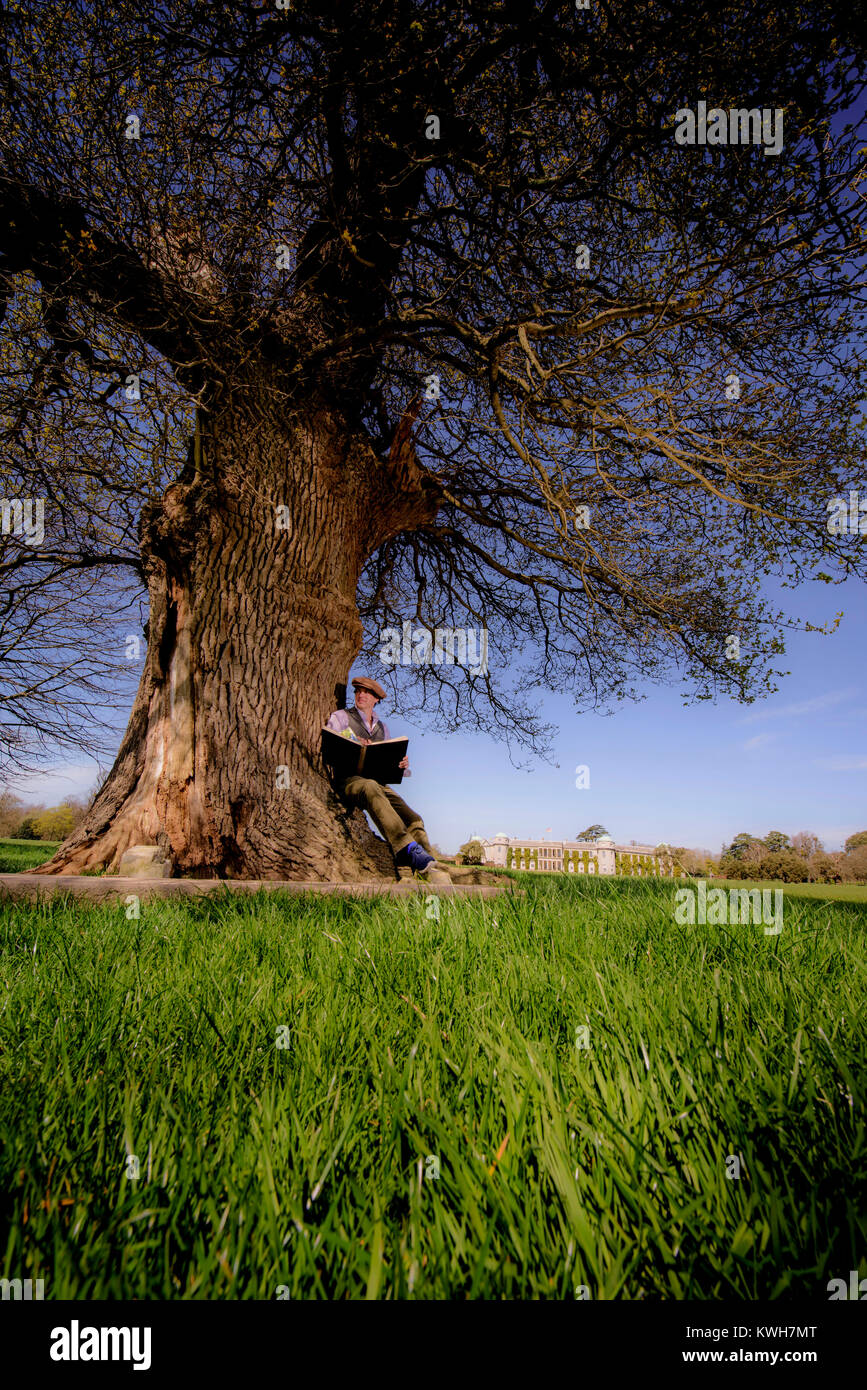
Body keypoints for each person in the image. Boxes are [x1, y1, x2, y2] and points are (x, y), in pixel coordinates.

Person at [325, 676, 450, 882]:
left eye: (367, 692)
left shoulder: (382, 728)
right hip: (349, 781)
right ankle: (411, 853)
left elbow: (386, 764)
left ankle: (429, 864)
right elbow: (331, 744)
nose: (361, 694)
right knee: (371, 786)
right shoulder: (341, 717)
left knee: (413, 818)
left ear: (376, 699)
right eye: (358, 691)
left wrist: (401, 766)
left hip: (378, 784)